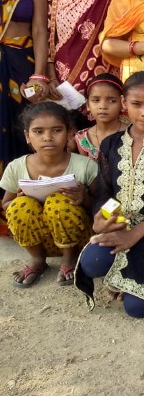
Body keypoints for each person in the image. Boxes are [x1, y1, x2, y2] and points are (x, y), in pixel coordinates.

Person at [75, 72, 144, 318]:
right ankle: (126, 269)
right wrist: (103, 219)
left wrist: (134, 235)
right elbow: (106, 192)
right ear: (125, 103)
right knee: (91, 263)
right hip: (122, 223)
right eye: (137, 104)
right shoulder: (110, 145)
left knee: (137, 309)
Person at [1, 102, 97, 287]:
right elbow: (6, 205)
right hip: (41, 240)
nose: (48, 137)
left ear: (69, 133)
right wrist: (20, 200)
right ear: (27, 136)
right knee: (21, 207)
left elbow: (105, 206)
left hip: (78, 239)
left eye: (56, 130)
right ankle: (37, 259)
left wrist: (84, 198)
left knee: (58, 202)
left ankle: (69, 259)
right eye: (38, 132)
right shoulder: (16, 167)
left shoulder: (85, 166)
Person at [0, 0, 49, 174]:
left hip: (20, 69)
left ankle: (12, 205)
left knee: (21, 132)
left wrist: (39, 75)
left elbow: (40, 30)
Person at [74, 73, 128, 159]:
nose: (102, 106)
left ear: (122, 103)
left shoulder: (132, 134)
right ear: (88, 105)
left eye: (112, 101)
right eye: (96, 100)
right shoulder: (82, 138)